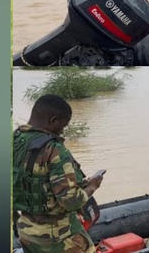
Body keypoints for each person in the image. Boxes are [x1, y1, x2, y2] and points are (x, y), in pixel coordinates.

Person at [13, 95, 104, 253]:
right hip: (59, 237)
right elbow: (71, 201)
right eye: (63, 125)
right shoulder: (54, 150)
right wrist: (92, 187)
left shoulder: (14, 140)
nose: (62, 130)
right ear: (53, 120)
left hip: (26, 232)